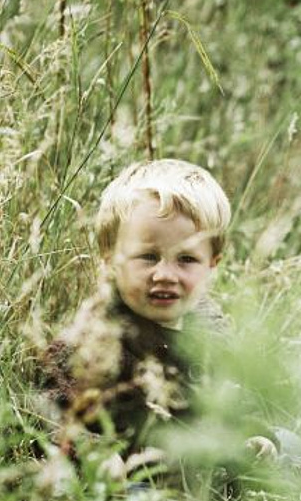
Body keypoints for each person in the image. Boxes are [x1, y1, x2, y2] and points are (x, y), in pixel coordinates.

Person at [41, 159, 231, 467]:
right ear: (110, 260)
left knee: (291, 446)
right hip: (134, 477)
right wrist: (93, 451)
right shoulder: (97, 337)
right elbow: (50, 413)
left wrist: (253, 437)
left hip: (195, 469)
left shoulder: (211, 329)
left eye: (186, 259)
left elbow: (233, 397)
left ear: (212, 265)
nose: (165, 274)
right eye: (148, 256)